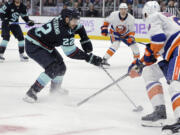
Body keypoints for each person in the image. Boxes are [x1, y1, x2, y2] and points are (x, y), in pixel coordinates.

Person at [23, 8, 103, 103]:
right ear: (67, 19)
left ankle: (55, 90)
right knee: (53, 68)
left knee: (61, 68)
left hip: (45, 44)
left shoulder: (64, 20)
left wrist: (84, 38)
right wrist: (89, 58)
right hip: (34, 45)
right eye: (74, 20)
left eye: (77, 20)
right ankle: (31, 92)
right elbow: (71, 52)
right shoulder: (63, 32)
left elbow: (80, 27)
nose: (76, 23)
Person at [128, 1, 180, 134]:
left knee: (175, 83)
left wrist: (146, 57)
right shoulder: (166, 17)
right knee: (149, 72)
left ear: (146, 12)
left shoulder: (153, 17)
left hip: (178, 51)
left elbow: (157, 39)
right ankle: (160, 112)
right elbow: (155, 49)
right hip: (173, 54)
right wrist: (141, 63)